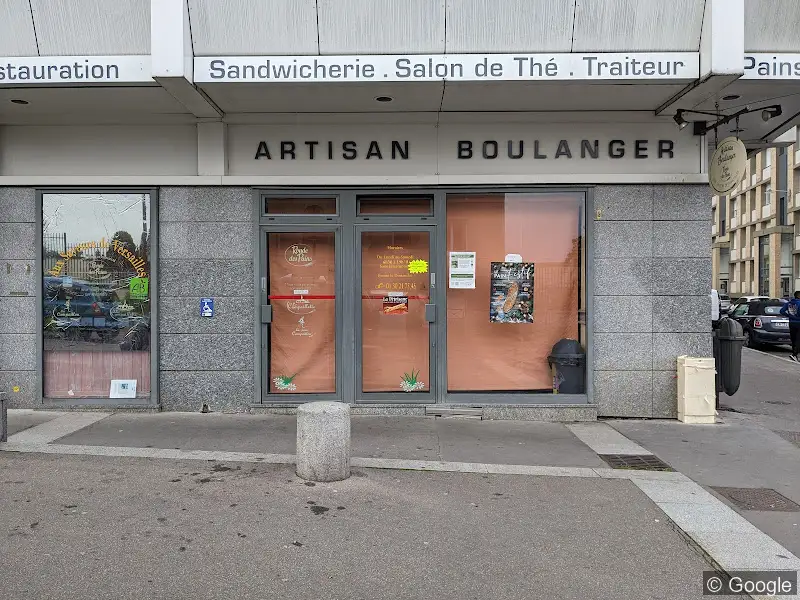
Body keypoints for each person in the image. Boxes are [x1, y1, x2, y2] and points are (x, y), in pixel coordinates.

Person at [780, 291, 800, 360]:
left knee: (793, 339)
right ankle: (794, 354)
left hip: (791, 323)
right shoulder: (799, 303)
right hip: (799, 322)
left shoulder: (789, 303)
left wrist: (789, 315)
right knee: (798, 339)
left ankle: (794, 354)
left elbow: (782, 311)